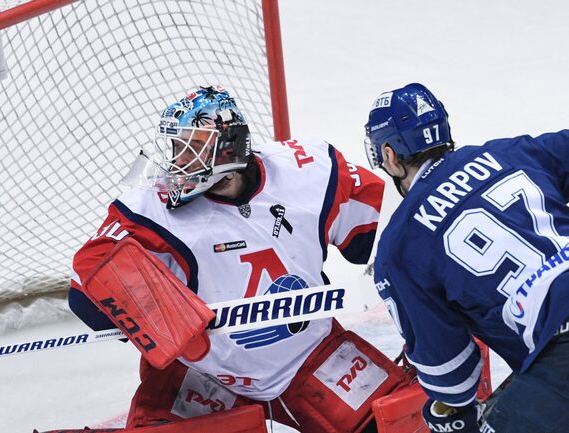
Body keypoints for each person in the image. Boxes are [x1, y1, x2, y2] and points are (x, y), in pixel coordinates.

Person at [67, 86, 412, 433]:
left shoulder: (310, 169)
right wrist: (168, 323)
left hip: (309, 354)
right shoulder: (150, 209)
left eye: (194, 148)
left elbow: (374, 236)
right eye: (178, 147)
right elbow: (86, 286)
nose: (179, 162)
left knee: (400, 424)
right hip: (205, 373)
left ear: (228, 150)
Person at [363, 82, 569, 433]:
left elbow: (454, 381)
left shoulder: (398, 247)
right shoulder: (512, 152)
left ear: (389, 156)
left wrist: (447, 412)